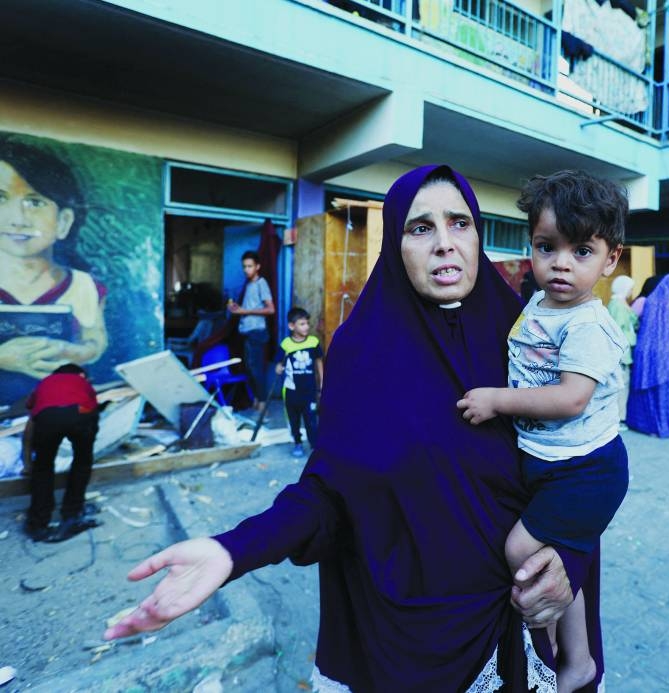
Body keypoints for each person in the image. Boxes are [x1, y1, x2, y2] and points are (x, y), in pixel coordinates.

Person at [105, 166, 600, 692]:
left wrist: (567, 558)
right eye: (420, 228)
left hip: (528, 619)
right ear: (394, 246)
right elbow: (331, 494)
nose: (444, 243)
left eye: (460, 223)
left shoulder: (534, 337)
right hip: (409, 633)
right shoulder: (361, 354)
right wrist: (233, 551)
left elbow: (589, 465)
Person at [457, 170, 628, 693]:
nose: (560, 263)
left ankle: (552, 652)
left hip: (586, 471)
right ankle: (572, 656)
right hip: (554, 464)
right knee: (554, 560)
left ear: (611, 259)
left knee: (522, 551)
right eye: (546, 246)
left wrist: (496, 401)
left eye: (582, 251)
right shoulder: (538, 304)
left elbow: (570, 398)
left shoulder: (587, 325)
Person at [0, 138, 108, 404]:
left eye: (35, 202)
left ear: (63, 221)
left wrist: (68, 352)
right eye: (1, 198)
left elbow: (95, 342)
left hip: (60, 412)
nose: (17, 219)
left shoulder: (84, 286)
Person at [21, 364, 102, 542]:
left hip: (48, 417)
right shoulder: (83, 383)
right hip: (81, 413)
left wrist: (28, 463)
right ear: (81, 375)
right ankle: (72, 514)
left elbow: (31, 420)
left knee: (43, 468)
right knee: (82, 463)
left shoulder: (45, 383)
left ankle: (38, 523)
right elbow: (94, 409)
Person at [626, 273, 669, 437]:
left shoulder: (649, 302)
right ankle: (665, 426)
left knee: (646, 390)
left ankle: (644, 425)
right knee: (667, 390)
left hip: (646, 350)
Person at [227, 250, 275, 414]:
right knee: (249, 368)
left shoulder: (261, 283)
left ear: (257, 267)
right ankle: (256, 399)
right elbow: (249, 308)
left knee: (256, 369)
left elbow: (270, 309)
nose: (246, 270)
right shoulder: (248, 285)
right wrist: (237, 309)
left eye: (250, 266)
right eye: (244, 267)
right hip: (248, 332)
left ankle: (262, 403)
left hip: (257, 332)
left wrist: (244, 311)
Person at [275, 307, 324, 458]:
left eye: (307, 323)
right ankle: (297, 443)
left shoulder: (313, 342)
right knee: (294, 420)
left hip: (309, 390)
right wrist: (278, 368)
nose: (306, 327)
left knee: (311, 419)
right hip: (291, 391)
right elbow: (278, 365)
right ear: (291, 326)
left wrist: (322, 382)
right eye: (302, 324)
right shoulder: (286, 345)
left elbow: (319, 363)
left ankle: (315, 446)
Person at [607, 275, 638, 429]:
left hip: (621, 352)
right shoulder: (618, 306)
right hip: (621, 353)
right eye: (630, 288)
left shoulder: (617, 303)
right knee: (621, 384)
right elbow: (618, 331)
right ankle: (618, 419)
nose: (631, 291)